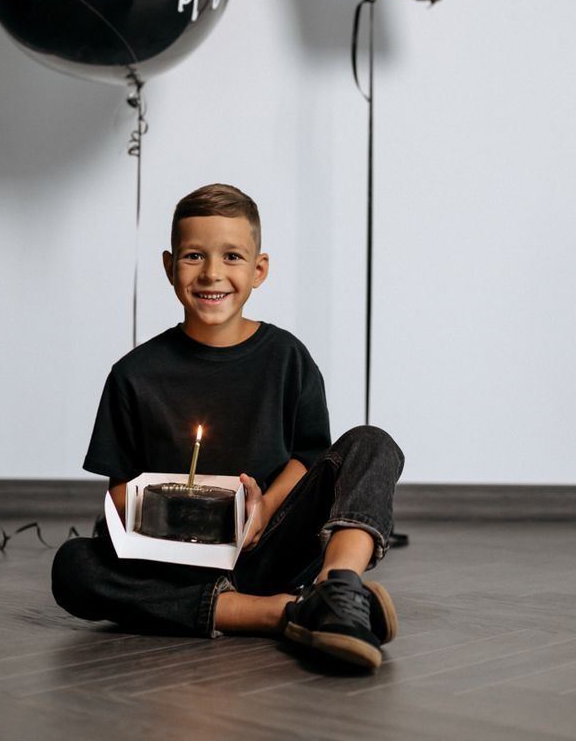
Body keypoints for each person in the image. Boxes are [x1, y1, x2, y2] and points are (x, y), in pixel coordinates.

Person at [52, 184, 404, 670]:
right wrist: (183, 517)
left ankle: (337, 586)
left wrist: (262, 511)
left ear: (259, 270)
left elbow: (310, 458)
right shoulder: (133, 375)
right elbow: (119, 495)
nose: (212, 273)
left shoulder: (288, 359)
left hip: (272, 545)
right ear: (169, 266)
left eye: (232, 256)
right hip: (175, 563)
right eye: (194, 256)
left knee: (372, 444)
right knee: (73, 567)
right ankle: (287, 613)